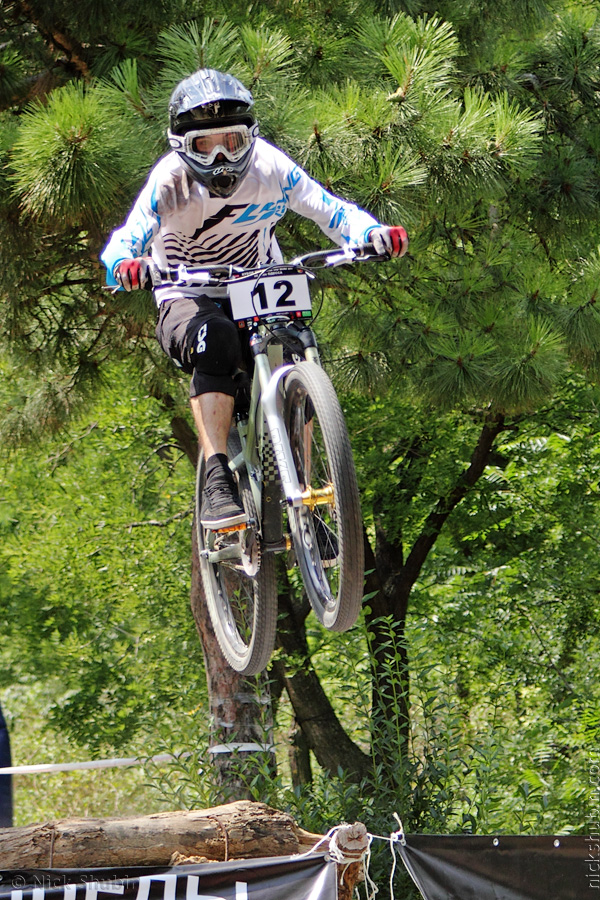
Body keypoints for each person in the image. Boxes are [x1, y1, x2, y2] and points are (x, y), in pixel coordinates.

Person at [101, 68, 408, 531]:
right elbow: (125, 241)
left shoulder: (270, 166)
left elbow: (331, 210)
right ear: (184, 147)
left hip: (259, 281)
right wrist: (126, 264)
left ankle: (303, 490)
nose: (222, 155)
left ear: (252, 138)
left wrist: (371, 233)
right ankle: (218, 477)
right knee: (217, 339)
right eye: (207, 144)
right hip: (188, 293)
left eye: (233, 141)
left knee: (292, 346)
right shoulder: (169, 183)